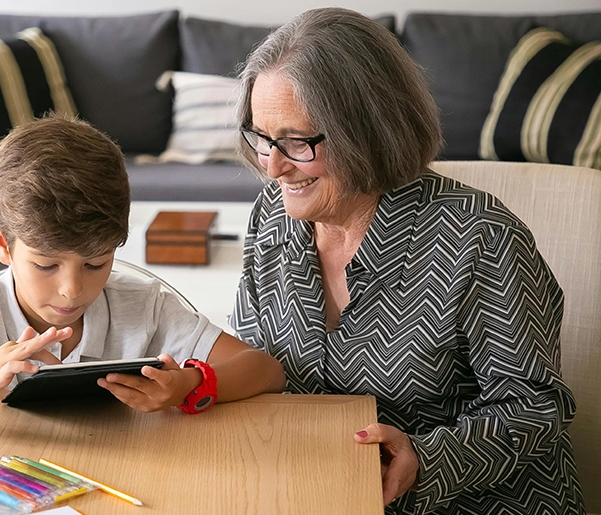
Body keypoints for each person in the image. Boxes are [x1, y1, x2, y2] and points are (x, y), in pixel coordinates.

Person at [231, 7, 584, 514]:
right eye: (263, 138)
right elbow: (255, 361)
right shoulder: (272, 217)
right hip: (321, 492)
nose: (273, 165)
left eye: (296, 142)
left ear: (366, 129)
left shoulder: (479, 237)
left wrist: (426, 457)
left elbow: (536, 409)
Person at [0, 115, 285, 417]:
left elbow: (263, 369)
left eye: (96, 263)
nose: (71, 290)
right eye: (45, 265)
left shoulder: (143, 306)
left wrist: (188, 383)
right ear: (4, 244)